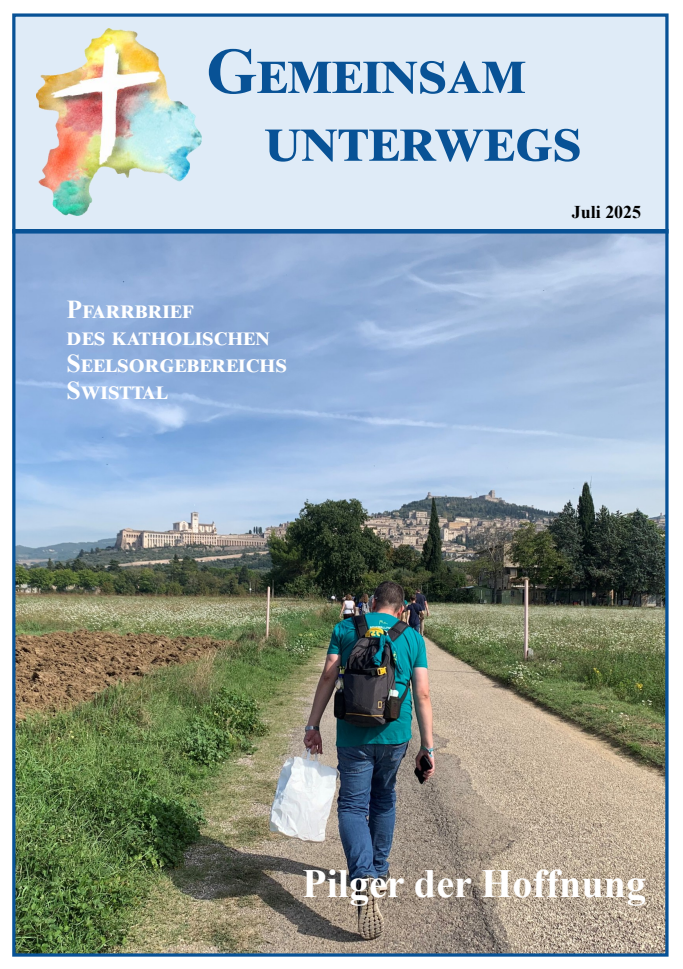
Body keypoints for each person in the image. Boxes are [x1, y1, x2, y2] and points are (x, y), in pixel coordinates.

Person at [304, 580, 434, 941]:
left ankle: (362, 878)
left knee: (351, 806)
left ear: (373, 602)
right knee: (384, 799)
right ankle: (378, 870)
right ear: (402, 608)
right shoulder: (411, 637)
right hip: (395, 735)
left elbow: (329, 674)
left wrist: (313, 724)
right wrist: (428, 746)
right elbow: (421, 692)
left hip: (351, 734)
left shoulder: (345, 628)